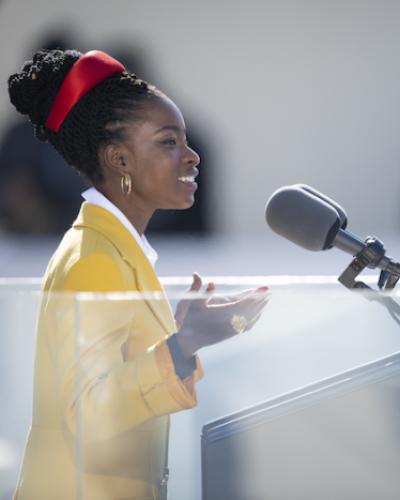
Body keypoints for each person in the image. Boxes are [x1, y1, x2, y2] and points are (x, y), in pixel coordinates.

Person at [8, 48, 269, 500]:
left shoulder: (116, 249)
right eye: (168, 141)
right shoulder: (95, 259)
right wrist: (183, 344)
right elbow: (87, 413)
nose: (191, 156)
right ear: (119, 160)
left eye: (185, 140)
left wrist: (186, 339)